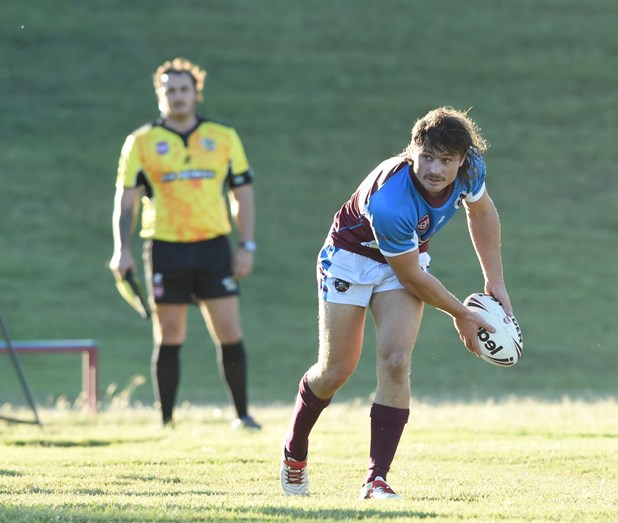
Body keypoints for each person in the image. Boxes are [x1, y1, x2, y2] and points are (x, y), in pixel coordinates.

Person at [279, 107, 512, 499]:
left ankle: (376, 479)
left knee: (395, 361)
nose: (435, 169)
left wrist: (495, 281)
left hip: (402, 261)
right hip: (351, 259)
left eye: (446, 160)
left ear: (461, 160)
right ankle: (294, 452)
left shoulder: (471, 168)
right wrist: (463, 314)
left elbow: (483, 211)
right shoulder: (391, 201)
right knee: (336, 369)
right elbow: (414, 278)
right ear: (412, 150)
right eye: (427, 157)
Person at [109, 57, 261, 431]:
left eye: (183, 90)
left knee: (229, 330)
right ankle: (166, 421)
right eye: (169, 90)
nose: (177, 97)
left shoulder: (223, 137)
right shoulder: (141, 142)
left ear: (196, 94)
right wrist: (121, 248)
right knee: (170, 333)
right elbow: (125, 200)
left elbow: (243, 194)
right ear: (160, 95)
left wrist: (246, 246)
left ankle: (242, 415)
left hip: (212, 246)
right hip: (165, 246)